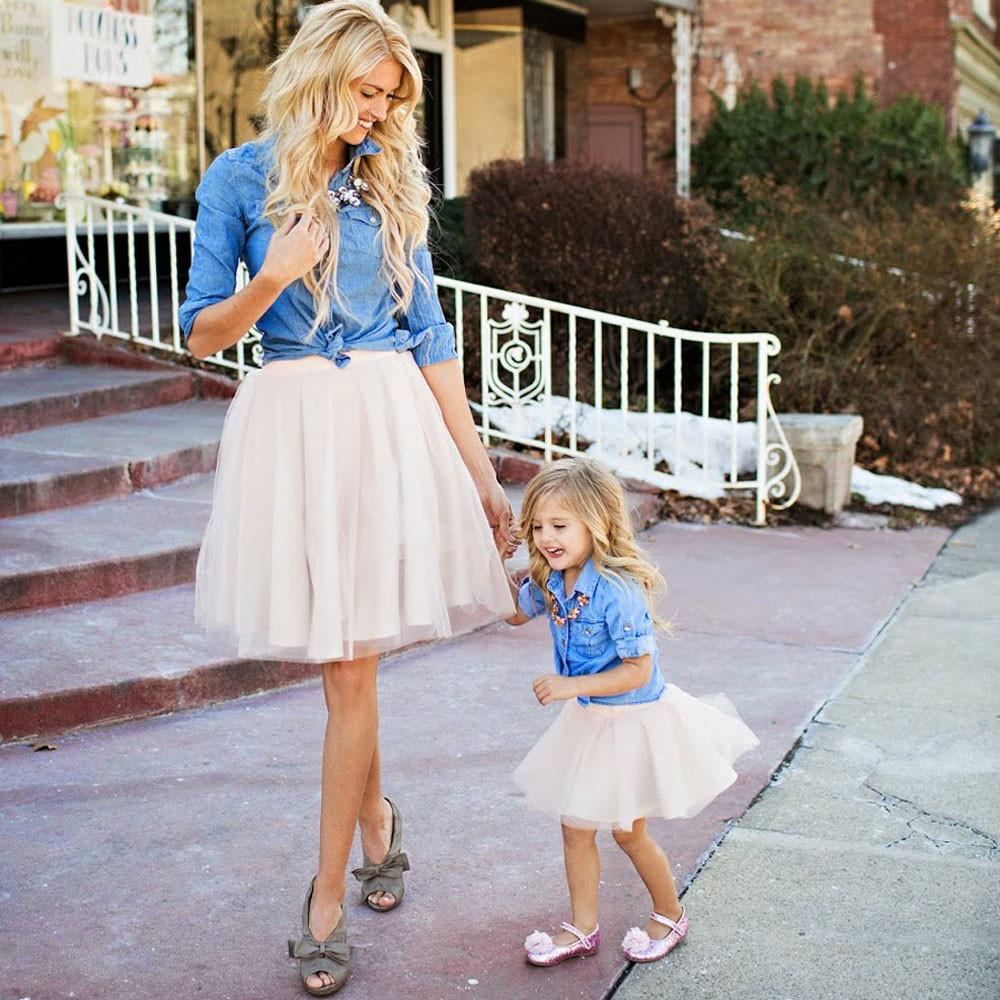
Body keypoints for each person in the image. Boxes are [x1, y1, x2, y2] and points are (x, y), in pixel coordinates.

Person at [177, 2, 516, 993]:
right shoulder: (238, 179)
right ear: (322, 75)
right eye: (367, 92)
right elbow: (201, 331)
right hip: (290, 432)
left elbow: (432, 339)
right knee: (343, 666)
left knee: (351, 667)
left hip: (380, 426)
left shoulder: (387, 183)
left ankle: (325, 900)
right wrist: (271, 277)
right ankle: (377, 820)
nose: (377, 112)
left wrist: (481, 472)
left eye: (388, 99)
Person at [504, 458, 758, 967]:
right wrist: (495, 558)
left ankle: (670, 914)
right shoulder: (552, 578)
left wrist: (571, 685)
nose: (547, 537)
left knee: (628, 832)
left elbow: (638, 671)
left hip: (634, 723)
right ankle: (582, 927)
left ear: (595, 524)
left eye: (560, 526)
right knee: (576, 826)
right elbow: (513, 612)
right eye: (538, 526)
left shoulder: (617, 590)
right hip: (592, 722)